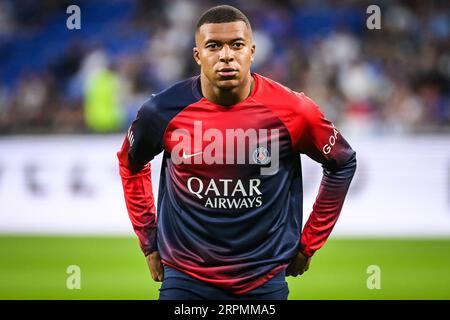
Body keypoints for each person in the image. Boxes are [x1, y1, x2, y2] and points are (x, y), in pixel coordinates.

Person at [117, 5, 356, 300]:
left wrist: (309, 244)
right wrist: (149, 243)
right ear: (197, 55)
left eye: (237, 45)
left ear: (252, 51)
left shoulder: (294, 110)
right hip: (185, 277)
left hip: (262, 279)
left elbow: (342, 162)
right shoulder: (161, 111)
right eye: (214, 46)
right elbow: (130, 163)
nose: (226, 55)